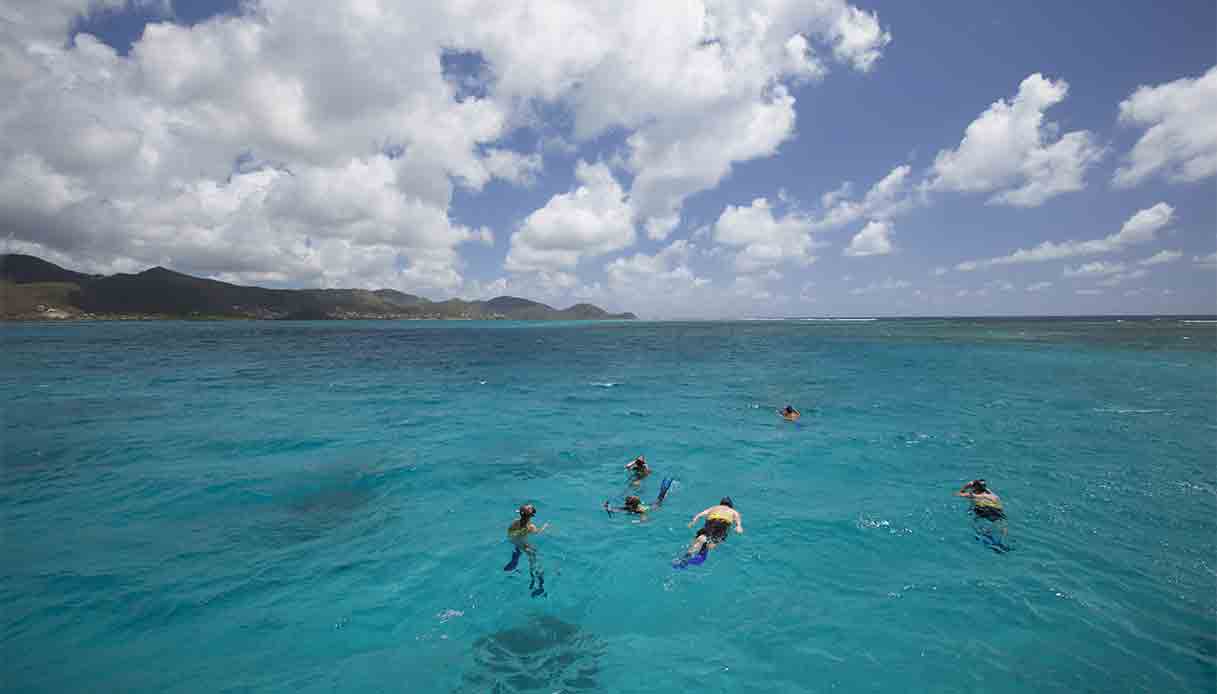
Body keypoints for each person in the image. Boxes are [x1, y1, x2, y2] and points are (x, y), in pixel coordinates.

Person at [504, 503, 549, 596]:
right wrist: (544, 527)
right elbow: (537, 532)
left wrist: (518, 536)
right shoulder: (530, 527)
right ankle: (535, 575)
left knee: (520, 548)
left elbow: (509, 532)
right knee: (533, 554)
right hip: (521, 541)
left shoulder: (515, 522)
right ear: (531, 516)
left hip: (513, 540)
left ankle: (515, 558)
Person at [955, 479, 1008, 551]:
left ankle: (991, 541)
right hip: (997, 510)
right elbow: (977, 486)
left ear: (974, 487)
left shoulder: (973, 495)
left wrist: (964, 489)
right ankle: (1002, 542)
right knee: (1000, 525)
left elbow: (957, 494)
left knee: (977, 527)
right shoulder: (991, 494)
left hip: (984, 510)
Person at [604, 478, 673, 518]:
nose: (625, 504)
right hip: (648, 505)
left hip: (657, 505)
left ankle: (667, 485)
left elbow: (644, 518)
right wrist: (608, 508)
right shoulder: (629, 508)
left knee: (662, 496)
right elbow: (618, 509)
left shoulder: (639, 510)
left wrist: (638, 521)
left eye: (626, 503)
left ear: (631, 505)